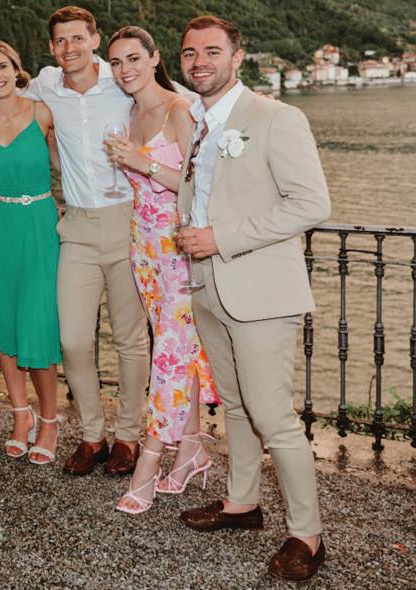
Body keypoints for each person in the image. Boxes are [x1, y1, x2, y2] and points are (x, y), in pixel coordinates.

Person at [174, 16, 330, 582]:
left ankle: (307, 535)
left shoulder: (275, 117)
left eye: (212, 51)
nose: (199, 62)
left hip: (260, 289)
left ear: (237, 57)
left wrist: (222, 237)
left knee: (274, 417)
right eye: (190, 53)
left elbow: (311, 204)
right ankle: (242, 503)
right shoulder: (198, 121)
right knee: (236, 404)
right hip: (208, 285)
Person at [27, 6, 150, 477]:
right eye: (61, 40)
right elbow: (3, 99)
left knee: (130, 339)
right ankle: (93, 435)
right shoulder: (46, 85)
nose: (69, 48)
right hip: (76, 227)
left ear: (94, 39)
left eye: (78, 38)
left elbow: (176, 104)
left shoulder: (123, 80)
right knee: (73, 339)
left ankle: (128, 437)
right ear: (51, 47)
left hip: (126, 222)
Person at [103, 26, 220, 513]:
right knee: (179, 352)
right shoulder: (129, 115)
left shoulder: (181, 109)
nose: (124, 70)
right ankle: (192, 449)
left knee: (169, 355)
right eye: (116, 62)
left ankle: (148, 463)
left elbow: (201, 182)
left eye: (133, 58)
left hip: (180, 249)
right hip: (145, 248)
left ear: (154, 59)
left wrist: (142, 162)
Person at [0, 41, 62, 466]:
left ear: (16, 69)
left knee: (37, 324)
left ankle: (50, 421)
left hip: (38, 226)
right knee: (4, 326)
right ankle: (21, 416)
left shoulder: (42, 113)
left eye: (2, 66)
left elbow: (66, 166)